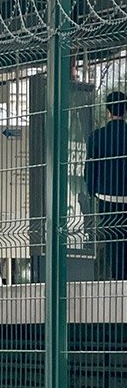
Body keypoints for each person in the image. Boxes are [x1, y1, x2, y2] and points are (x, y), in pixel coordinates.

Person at [85, 91, 127, 280]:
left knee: (112, 239)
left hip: (106, 197)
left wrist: (92, 190)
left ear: (108, 111)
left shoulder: (97, 136)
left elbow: (90, 168)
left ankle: (116, 279)